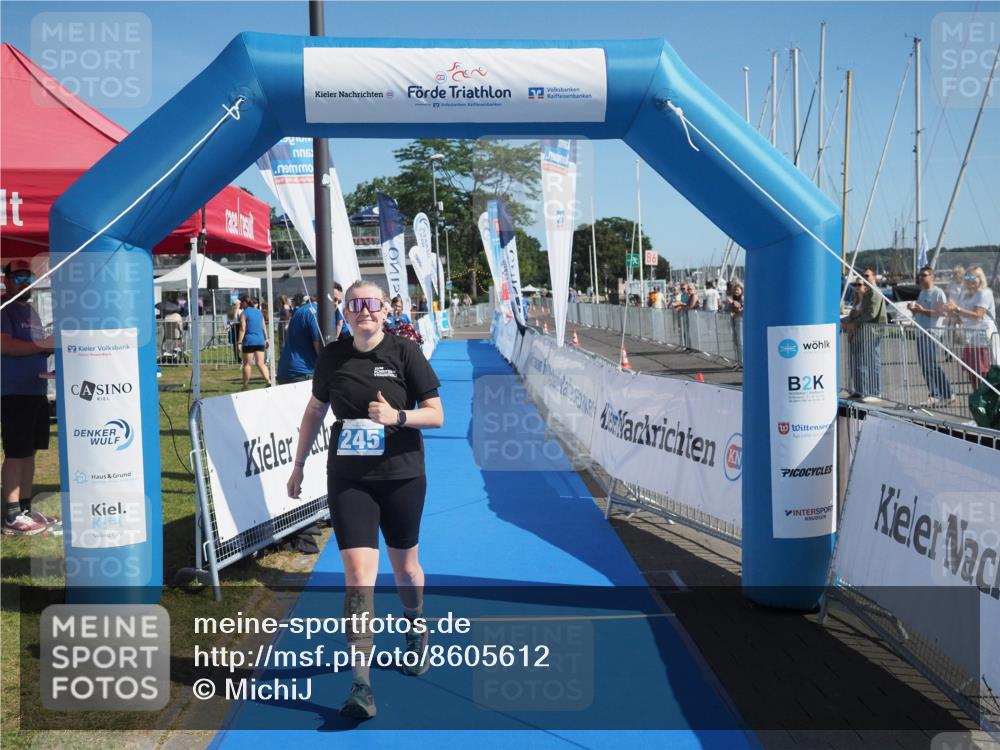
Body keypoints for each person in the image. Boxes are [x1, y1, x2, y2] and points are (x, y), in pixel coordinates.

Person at [285, 280, 444, 720]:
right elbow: (315, 411)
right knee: (358, 576)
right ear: (345, 312)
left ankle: (415, 627)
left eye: (371, 304)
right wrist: (298, 466)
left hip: (402, 475)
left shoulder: (404, 353)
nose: (364, 312)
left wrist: (398, 416)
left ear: (384, 310)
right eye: (355, 305)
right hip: (349, 478)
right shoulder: (334, 356)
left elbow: (436, 412)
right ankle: (361, 684)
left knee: (405, 568)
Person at [1, 260, 60, 536]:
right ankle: (12, 516)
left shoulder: (31, 310)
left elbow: (33, 345)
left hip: (36, 390)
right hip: (13, 391)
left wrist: (48, 347)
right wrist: (40, 345)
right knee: (16, 453)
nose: (25, 282)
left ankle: (25, 509)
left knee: (30, 452)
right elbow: (6, 345)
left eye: (29, 276)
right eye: (19, 277)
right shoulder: (5, 308)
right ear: (7, 280)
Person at [907, 266, 953, 407]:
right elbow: (921, 313)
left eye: (924, 275)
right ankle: (936, 394)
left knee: (931, 364)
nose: (921, 278)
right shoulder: (922, 293)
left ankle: (946, 393)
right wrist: (914, 310)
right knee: (925, 365)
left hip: (932, 331)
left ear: (932, 276)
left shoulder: (938, 293)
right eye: (920, 275)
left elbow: (942, 313)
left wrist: (922, 310)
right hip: (921, 331)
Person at [945, 265, 998, 380]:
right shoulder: (966, 295)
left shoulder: (984, 293)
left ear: (981, 278)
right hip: (970, 340)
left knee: (984, 374)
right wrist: (949, 311)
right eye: (968, 276)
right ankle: (977, 397)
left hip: (983, 340)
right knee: (972, 373)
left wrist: (957, 309)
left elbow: (978, 315)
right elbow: (961, 317)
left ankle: (987, 397)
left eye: (974, 277)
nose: (970, 279)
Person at [844, 268, 887, 400]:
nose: (865, 278)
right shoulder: (866, 294)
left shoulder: (874, 292)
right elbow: (859, 314)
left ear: (874, 277)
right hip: (862, 333)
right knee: (860, 362)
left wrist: (854, 323)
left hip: (872, 332)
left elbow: (871, 314)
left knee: (872, 362)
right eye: (863, 276)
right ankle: (860, 390)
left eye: (867, 275)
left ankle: (875, 392)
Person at [276, 294, 322, 385]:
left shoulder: (300, 311)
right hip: (303, 373)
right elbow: (319, 347)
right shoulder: (315, 311)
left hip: (287, 369)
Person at [237, 297, 270, 389]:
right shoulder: (259, 313)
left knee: (247, 364)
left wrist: (239, 342)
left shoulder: (244, 313)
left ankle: (245, 385)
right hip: (260, 340)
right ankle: (268, 381)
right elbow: (263, 327)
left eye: (241, 303)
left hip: (249, 341)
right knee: (261, 363)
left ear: (245, 303)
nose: (240, 305)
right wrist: (266, 339)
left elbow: (242, 329)